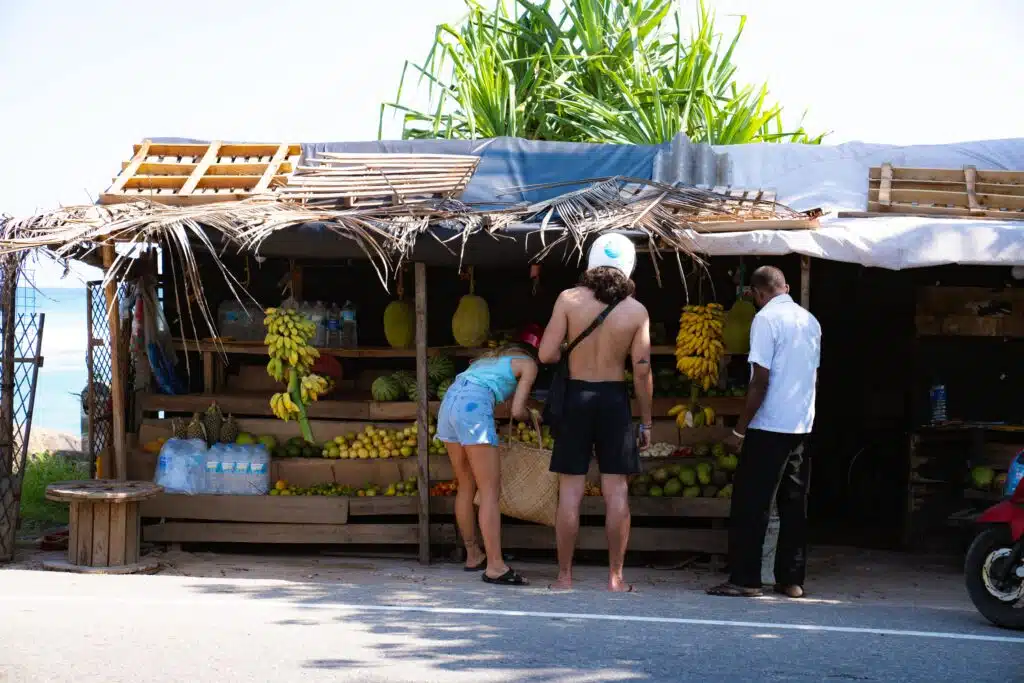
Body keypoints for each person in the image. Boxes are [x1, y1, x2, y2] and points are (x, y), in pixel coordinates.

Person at [538, 232, 653, 592]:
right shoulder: (636, 311)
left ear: (591, 262)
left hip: (575, 396)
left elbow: (545, 355)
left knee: (570, 491)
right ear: (629, 266)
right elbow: (642, 371)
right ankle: (616, 578)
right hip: (613, 400)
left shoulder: (568, 300)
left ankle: (564, 578)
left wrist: (569, 353)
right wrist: (646, 421)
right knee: (616, 490)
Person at [707, 265, 821, 599]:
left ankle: (746, 579)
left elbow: (760, 380)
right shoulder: (810, 321)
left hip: (769, 425)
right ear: (785, 287)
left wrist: (740, 431)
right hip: (801, 424)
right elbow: (813, 377)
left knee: (752, 504)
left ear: (757, 294)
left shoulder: (765, 319)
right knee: (794, 505)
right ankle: (791, 579)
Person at [436, 331, 540, 586]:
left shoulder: (486, 361)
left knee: (465, 484)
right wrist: (532, 415)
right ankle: (495, 566)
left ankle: (473, 555)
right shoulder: (529, 365)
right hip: (472, 408)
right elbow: (516, 410)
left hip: (449, 404)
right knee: (490, 492)